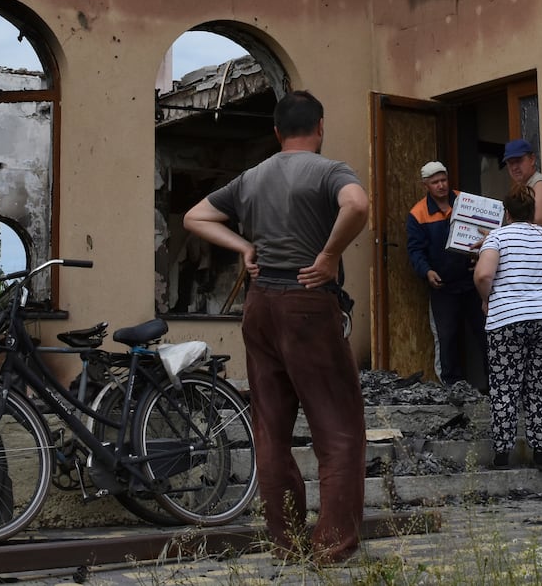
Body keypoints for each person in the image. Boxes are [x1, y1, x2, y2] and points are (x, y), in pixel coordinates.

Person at [182, 90, 370, 564]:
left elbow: (195, 216)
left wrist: (244, 247)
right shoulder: (330, 170)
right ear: (320, 127)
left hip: (260, 307)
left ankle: (285, 545)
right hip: (308, 304)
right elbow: (358, 206)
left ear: (276, 132)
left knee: (271, 430)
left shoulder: (253, 176)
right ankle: (332, 549)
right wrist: (328, 256)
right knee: (339, 430)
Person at [474, 183, 542, 470]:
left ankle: (503, 453)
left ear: (507, 213)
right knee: (539, 386)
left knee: (505, 385)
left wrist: (486, 300)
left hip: (507, 320)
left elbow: (483, 275)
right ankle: (541, 452)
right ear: (532, 211)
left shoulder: (497, 238)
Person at [405, 161, 488, 391]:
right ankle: (452, 387)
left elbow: (488, 233)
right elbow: (415, 250)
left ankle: (496, 385)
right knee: (447, 336)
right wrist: (427, 272)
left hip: (473, 283)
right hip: (443, 286)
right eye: (435, 182)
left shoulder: (466, 201)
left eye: (444, 180)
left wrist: (483, 259)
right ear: (426, 185)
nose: (441, 185)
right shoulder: (418, 214)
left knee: (486, 333)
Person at [502, 137, 542, 237]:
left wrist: (498, 237)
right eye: (510, 163)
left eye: (518, 161)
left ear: (532, 159)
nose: (514, 167)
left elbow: (537, 221)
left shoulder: (541, 182)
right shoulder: (521, 188)